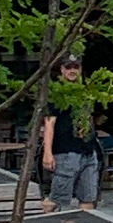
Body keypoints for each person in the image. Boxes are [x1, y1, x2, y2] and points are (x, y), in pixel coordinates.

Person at [41, 58, 102, 212]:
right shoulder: (56, 93)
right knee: (57, 199)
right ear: (62, 69)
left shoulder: (85, 92)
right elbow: (49, 123)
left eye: (76, 67)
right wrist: (47, 153)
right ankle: (42, 222)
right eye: (68, 67)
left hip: (88, 151)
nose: (72, 70)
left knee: (88, 198)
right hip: (65, 152)